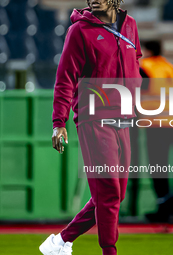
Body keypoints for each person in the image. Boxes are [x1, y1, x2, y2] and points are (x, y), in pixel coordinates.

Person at [39, 0, 142, 254]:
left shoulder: (130, 26)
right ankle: (109, 251)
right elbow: (65, 79)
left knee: (114, 196)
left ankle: (60, 242)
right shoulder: (79, 31)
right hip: (93, 118)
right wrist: (58, 122)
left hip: (123, 119)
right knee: (108, 191)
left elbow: (135, 63)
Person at [139, 40, 173, 222]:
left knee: (158, 168)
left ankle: (164, 208)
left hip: (155, 123)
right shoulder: (168, 67)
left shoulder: (144, 67)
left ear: (148, 50)